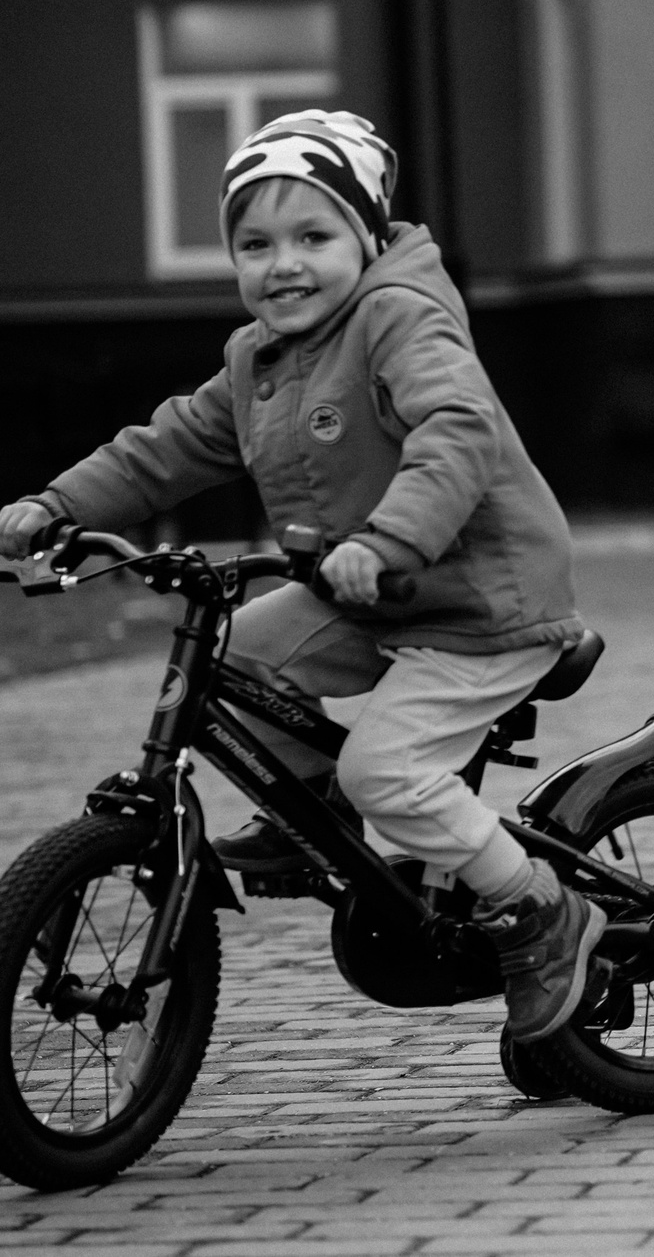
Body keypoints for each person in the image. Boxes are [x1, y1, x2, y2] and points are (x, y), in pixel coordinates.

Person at [0, 111, 602, 1039]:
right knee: (233, 660)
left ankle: (541, 912)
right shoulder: (258, 359)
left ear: (364, 237)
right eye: (255, 243)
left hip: (480, 601)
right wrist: (58, 505)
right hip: (362, 597)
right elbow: (168, 447)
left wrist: (390, 540)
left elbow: (457, 432)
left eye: (312, 237)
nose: (283, 263)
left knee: (388, 771)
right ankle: (306, 808)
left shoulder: (401, 320)